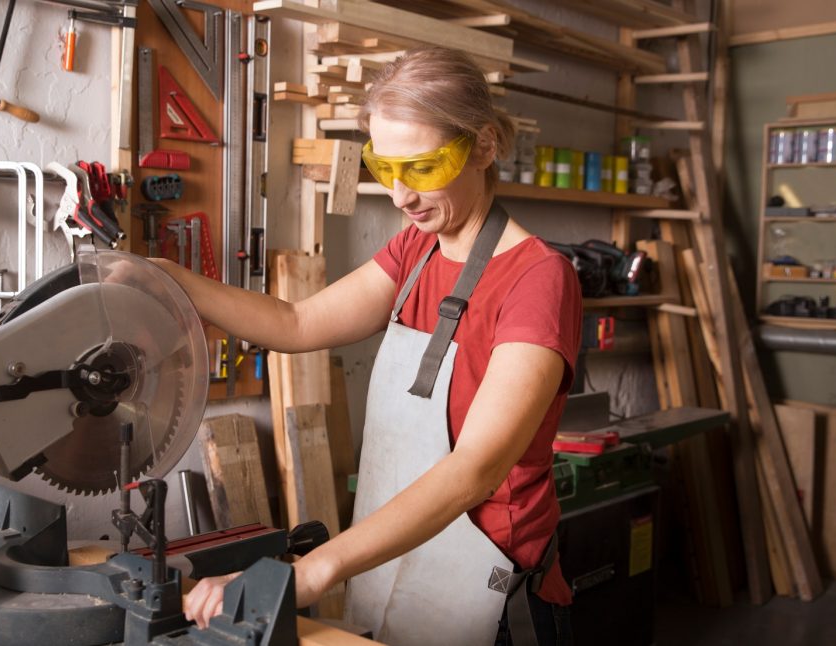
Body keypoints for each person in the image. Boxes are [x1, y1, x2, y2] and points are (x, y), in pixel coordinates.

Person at [154, 46, 581, 646]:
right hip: (393, 567)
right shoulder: (416, 250)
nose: (401, 195)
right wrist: (166, 279)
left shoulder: (539, 278)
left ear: (483, 146)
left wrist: (312, 570)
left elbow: (475, 470)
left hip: (492, 597)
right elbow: (296, 323)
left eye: (423, 168)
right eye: (386, 168)